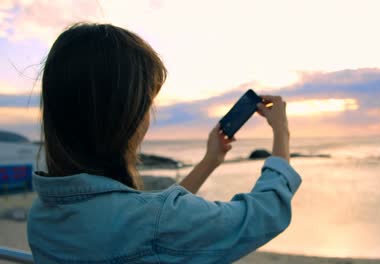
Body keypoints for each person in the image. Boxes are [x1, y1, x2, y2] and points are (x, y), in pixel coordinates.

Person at [27, 23, 302, 264]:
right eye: (147, 103)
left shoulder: (42, 216)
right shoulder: (152, 223)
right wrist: (281, 131)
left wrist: (210, 161)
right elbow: (265, 212)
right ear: (123, 114)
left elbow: (154, 221)